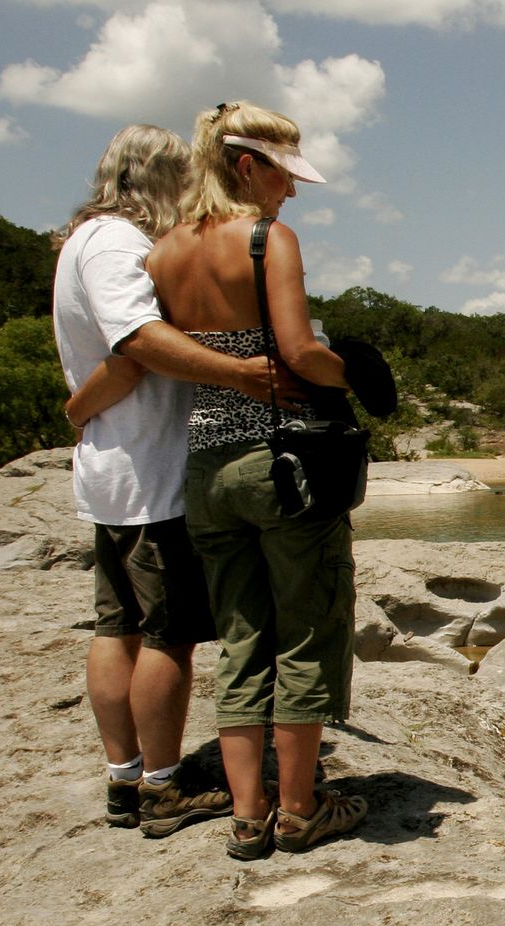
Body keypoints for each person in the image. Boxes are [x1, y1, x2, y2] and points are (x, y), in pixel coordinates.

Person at [54, 124, 295, 837]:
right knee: (168, 635)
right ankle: (160, 786)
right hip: (148, 468)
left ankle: (125, 778)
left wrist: (78, 408)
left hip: (113, 464)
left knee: (118, 624)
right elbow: (134, 344)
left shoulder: (82, 241)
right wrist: (240, 374)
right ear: (159, 177)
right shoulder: (118, 244)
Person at [145, 101, 367, 859]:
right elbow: (300, 351)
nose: (292, 193)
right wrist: (359, 377)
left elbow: (160, 350)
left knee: (240, 638)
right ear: (247, 166)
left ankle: (248, 817)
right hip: (284, 462)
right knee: (304, 629)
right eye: (284, 175)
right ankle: (301, 808)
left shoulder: (164, 252)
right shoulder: (267, 240)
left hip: (207, 464)